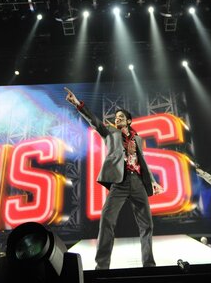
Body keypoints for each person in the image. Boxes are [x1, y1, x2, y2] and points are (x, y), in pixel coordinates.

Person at [64, 87, 163, 270]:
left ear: (129, 121)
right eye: (116, 117)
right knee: (107, 220)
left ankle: (149, 265)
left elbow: (143, 162)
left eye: (121, 117)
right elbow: (94, 121)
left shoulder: (137, 139)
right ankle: (102, 266)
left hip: (138, 182)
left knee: (147, 224)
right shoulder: (110, 132)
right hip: (120, 182)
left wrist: (153, 181)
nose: (117, 119)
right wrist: (78, 104)